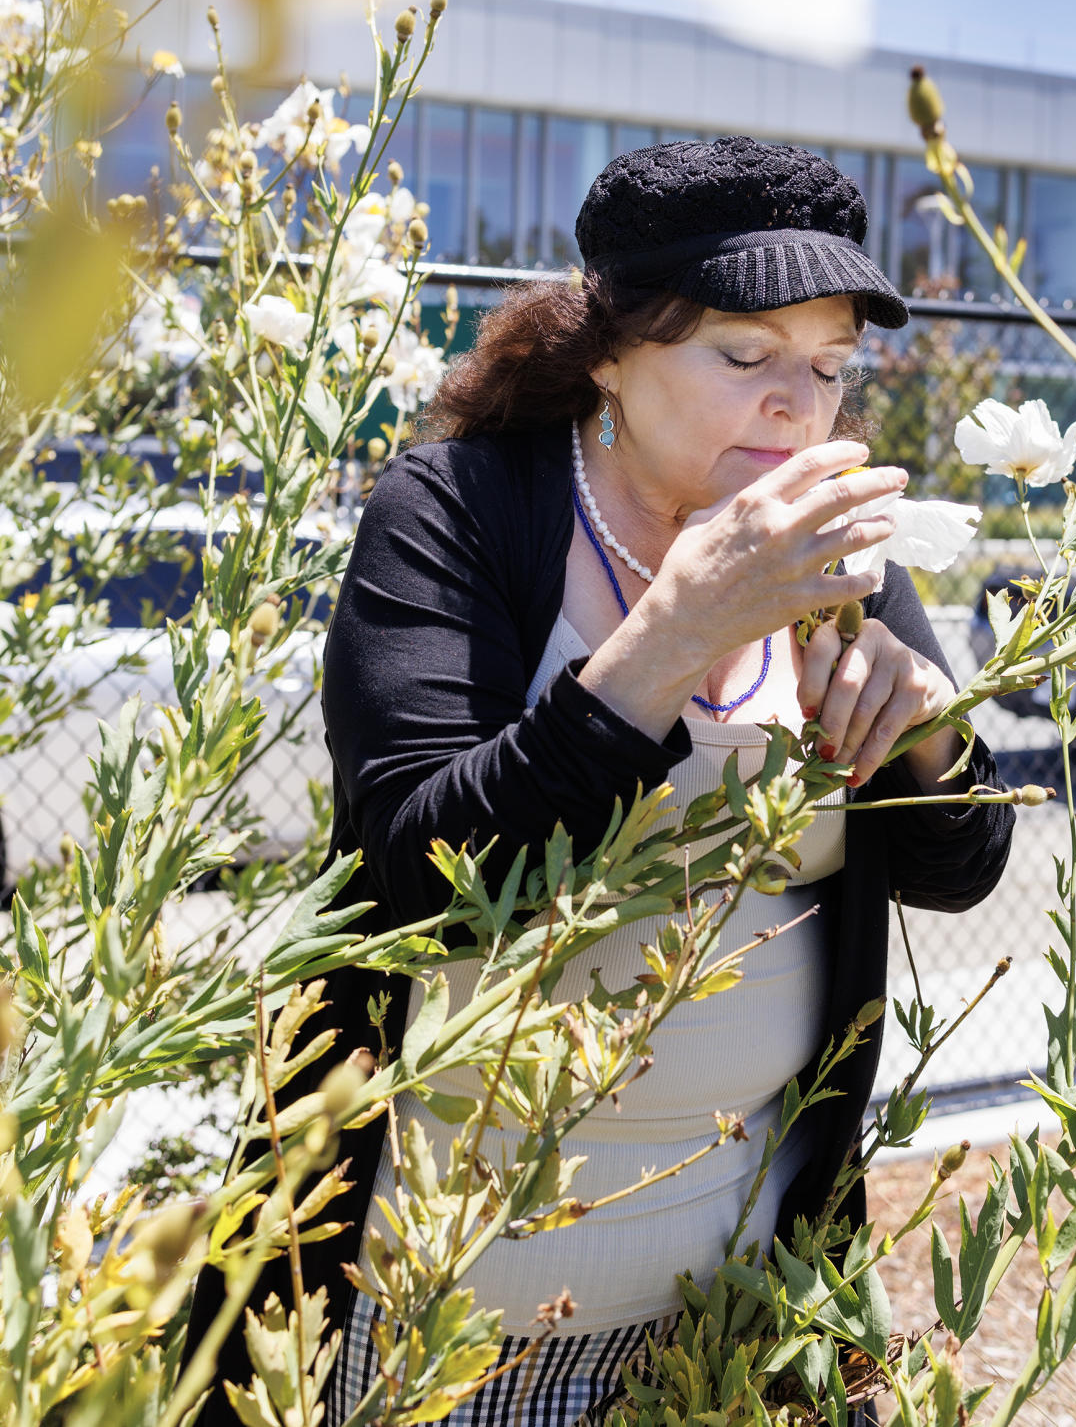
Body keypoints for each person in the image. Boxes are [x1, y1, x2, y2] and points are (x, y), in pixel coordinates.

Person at [187, 136, 1013, 1427]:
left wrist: (923, 732)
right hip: (448, 1328)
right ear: (609, 353)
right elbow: (417, 874)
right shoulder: (457, 508)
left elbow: (958, 868)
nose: (797, 408)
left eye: (830, 367)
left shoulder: (836, 545)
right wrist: (672, 635)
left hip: (752, 1310)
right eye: (744, 356)